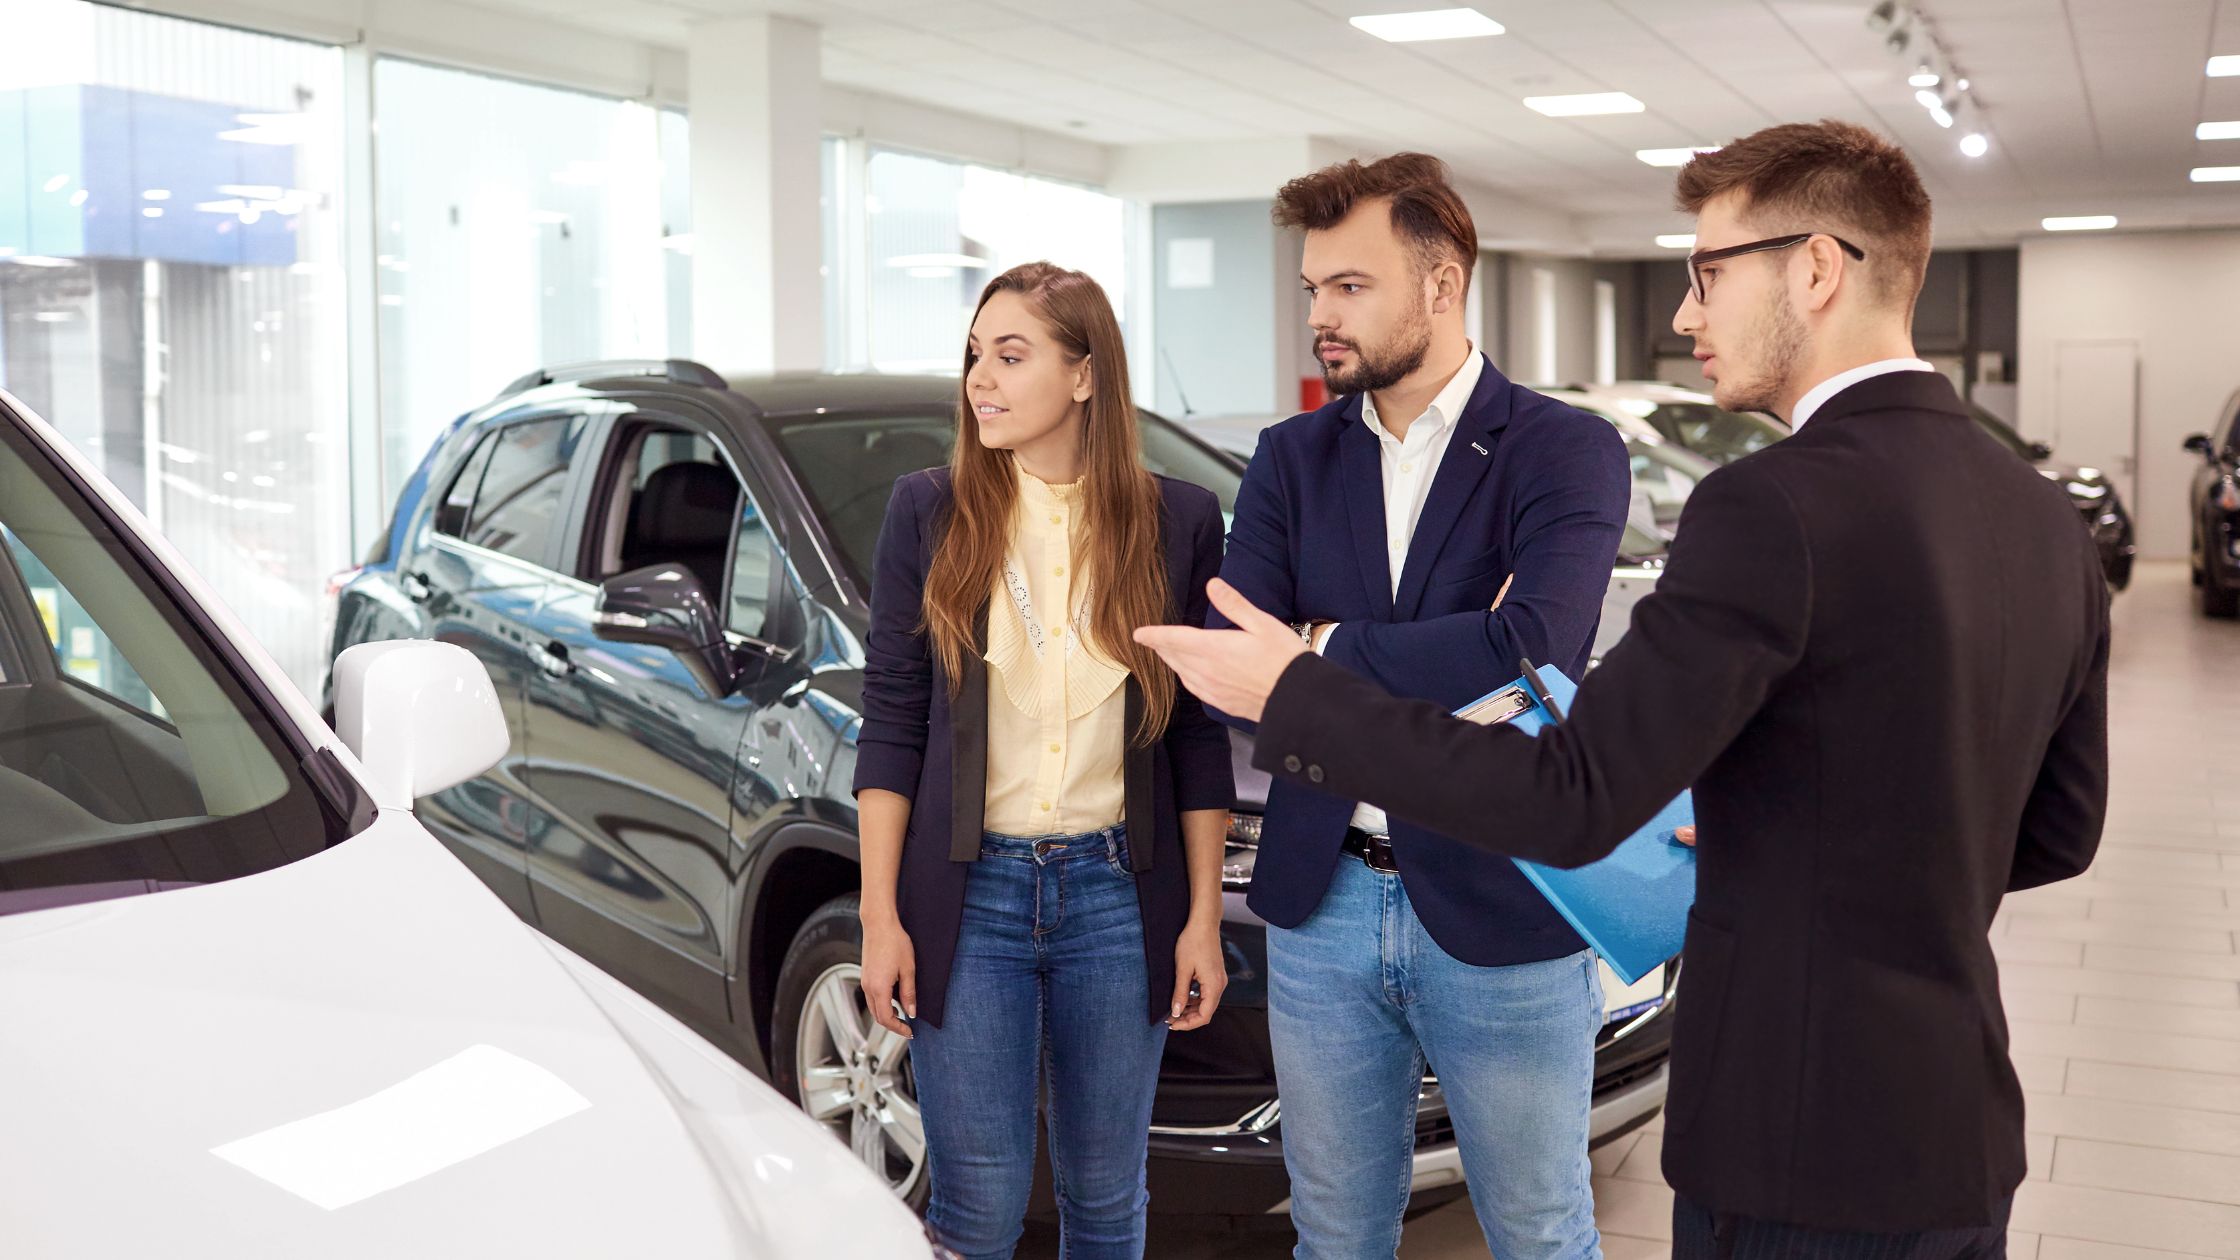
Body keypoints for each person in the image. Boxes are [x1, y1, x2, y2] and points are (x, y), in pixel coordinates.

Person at [1137, 120, 2108, 1260]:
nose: (1685, 314)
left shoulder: (1768, 505)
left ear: (1814, 267)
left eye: (1706, 272)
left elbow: (1566, 778)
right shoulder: (2040, 511)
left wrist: (1298, 679)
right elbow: (2056, 830)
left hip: (1791, 1133)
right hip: (1955, 1127)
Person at [1211, 153, 1629, 1260]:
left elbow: (1529, 649)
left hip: (1501, 899)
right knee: (1333, 1235)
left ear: (1439, 286)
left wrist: (1313, 647)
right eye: (1310, 290)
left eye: (1348, 286)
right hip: (1320, 901)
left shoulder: (1560, 447)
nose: (1319, 316)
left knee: (1539, 1232)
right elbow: (1231, 662)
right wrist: (1452, 653)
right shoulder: (1289, 460)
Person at [851, 261, 1236, 1260]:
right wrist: (879, 913)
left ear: (1083, 374)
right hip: (968, 897)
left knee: (1107, 1198)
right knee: (975, 1203)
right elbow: (891, 722)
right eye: (975, 355)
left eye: (1010, 355)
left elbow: (1194, 735)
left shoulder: (1176, 520)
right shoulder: (929, 512)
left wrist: (1199, 917)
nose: (980, 378)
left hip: (1118, 893)